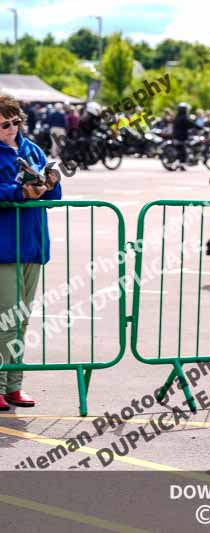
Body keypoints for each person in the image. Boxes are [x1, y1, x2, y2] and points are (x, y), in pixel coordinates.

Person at [0, 94, 63, 410]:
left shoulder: (32, 149)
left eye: (14, 122)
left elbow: (55, 196)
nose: (11, 129)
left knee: (21, 320)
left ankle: (14, 384)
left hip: (34, 246)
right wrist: (18, 191)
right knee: (5, 319)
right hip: (4, 248)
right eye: (3, 125)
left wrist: (51, 181)